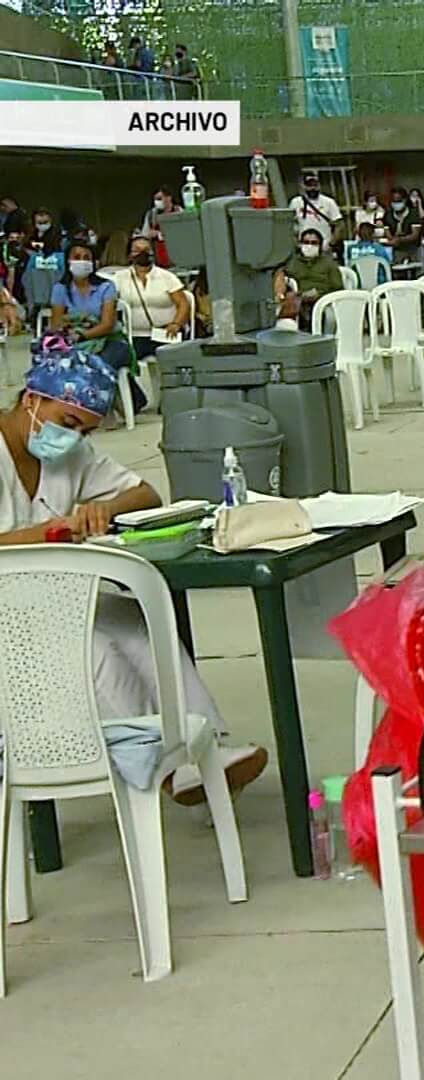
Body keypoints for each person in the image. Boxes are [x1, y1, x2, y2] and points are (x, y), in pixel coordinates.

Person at [0, 350, 269, 802]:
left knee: (138, 626)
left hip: (48, 593)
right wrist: (46, 534)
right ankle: (163, 761)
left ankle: (207, 746)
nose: (73, 438)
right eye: (67, 423)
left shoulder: (70, 455)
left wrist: (104, 508)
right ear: (31, 400)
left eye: (84, 430)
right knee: (92, 647)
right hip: (16, 608)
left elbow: (145, 494)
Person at [48, 241, 141, 412]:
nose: (81, 261)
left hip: (110, 340)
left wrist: (82, 335)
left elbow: (107, 324)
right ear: (68, 261)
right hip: (74, 341)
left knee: (97, 364)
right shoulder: (60, 289)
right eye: (76, 257)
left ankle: (101, 408)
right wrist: (70, 334)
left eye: (86, 258)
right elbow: (57, 323)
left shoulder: (106, 287)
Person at [108, 234, 187, 406]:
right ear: (129, 255)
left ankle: (172, 401)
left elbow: (183, 304)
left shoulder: (167, 277)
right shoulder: (119, 278)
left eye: (146, 250)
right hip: (134, 336)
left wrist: (176, 324)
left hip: (165, 333)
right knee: (119, 359)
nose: (143, 253)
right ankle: (136, 401)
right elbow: (109, 304)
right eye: (137, 250)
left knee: (176, 359)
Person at [281, 227, 344, 327]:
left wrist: (319, 293)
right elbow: (284, 283)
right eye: (306, 242)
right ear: (300, 244)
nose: (309, 246)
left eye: (314, 243)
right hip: (298, 299)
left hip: (322, 300)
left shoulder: (329, 263)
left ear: (320, 245)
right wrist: (299, 294)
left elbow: (338, 288)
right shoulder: (292, 262)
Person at [289, 172, 342, 244]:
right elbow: (290, 225)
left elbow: (338, 225)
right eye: (309, 185)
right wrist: (295, 243)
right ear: (304, 186)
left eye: (315, 185)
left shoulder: (329, 202)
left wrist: (331, 244)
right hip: (304, 244)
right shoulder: (295, 202)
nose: (313, 188)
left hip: (324, 244)